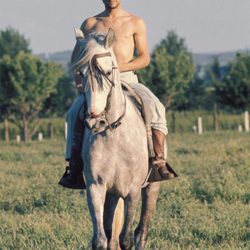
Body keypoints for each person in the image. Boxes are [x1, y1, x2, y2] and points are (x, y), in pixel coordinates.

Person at [59, 0, 175, 189]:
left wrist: (117, 68)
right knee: (73, 113)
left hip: (126, 78)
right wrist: (79, 79)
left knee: (157, 108)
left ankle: (158, 161)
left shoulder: (135, 22)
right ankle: (73, 167)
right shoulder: (89, 24)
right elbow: (77, 58)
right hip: (97, 82)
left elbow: (144, 57)